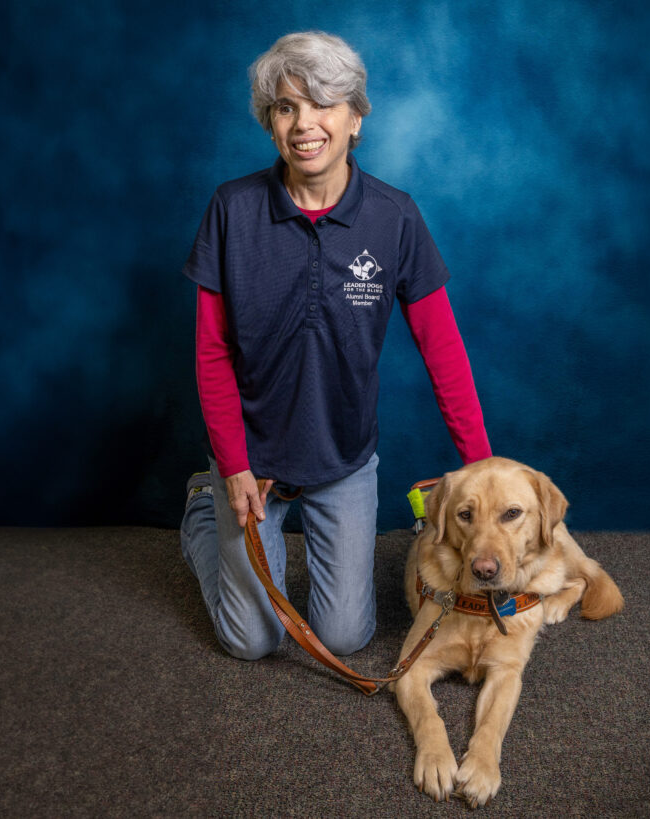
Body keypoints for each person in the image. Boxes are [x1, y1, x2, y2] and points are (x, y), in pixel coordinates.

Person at [179, 31, 491, 661]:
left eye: (323, 103)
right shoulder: (231, 210)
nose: (304, 124)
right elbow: (212, 354)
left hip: (343, 461)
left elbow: (443, 351)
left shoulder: (395, 217)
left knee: (346, 636)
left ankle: (243, 510)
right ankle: (204, 507)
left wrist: (482, 467)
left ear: (355, 118)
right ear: (270, 125)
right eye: (286, 108)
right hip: (252, 459)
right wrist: (234, 464)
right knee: (251, 640)